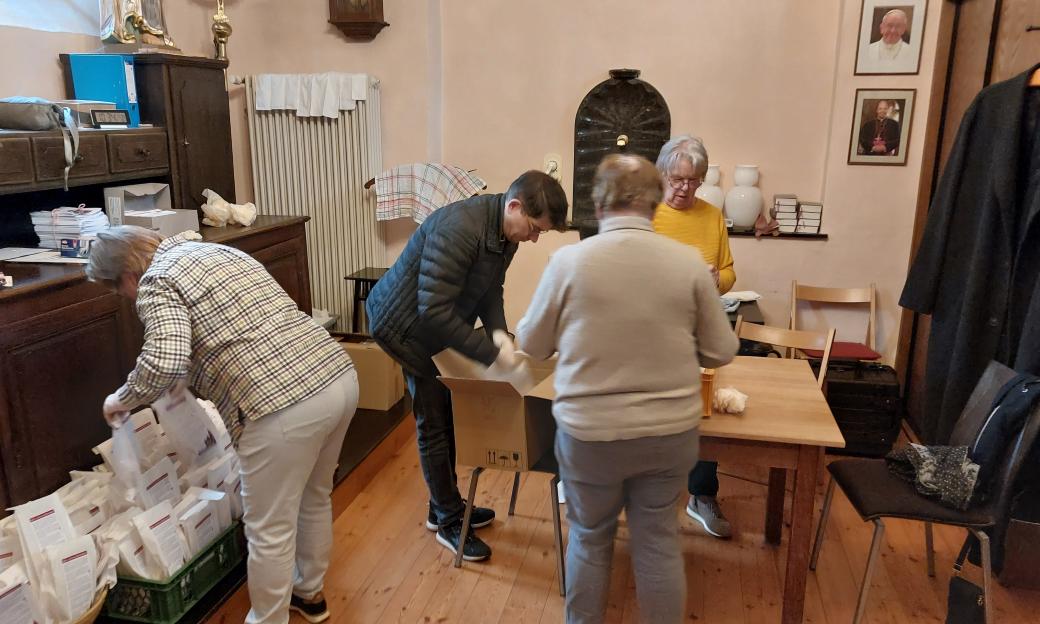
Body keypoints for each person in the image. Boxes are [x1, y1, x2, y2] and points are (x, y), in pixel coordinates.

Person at [89, 226, 358, 624]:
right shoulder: (217, 253)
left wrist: (121, 399)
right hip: (336, 376)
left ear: (127, 276)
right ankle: (309, 594)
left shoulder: (156, 280)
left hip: (280, 406)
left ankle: (268, 619)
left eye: (117, 291)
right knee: (314, 496)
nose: (125, 298)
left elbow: (164, 359)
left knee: (269, 530)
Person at [518, 154, 739, 623]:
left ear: (598, 205)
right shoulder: (689, 265)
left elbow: (533, 345)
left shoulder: (569, 262)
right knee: (657, 540)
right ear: (655, 203)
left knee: (590, 538)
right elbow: (721, 350)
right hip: (668, 435)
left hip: (589, 435)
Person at [365, 170, 568, 562]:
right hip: (404, 326)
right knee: (434, 419)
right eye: (534, 228)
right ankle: (447, 519)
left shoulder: (503, 233)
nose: (534, 237)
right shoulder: (459, 229)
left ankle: (443, 504)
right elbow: (434, 312)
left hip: (431, 323)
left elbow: (490, 290)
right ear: (514, 206)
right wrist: (493, 356)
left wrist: (500, 337)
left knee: (450, 412)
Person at [651, 134, 737, 538]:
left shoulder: (712, 217)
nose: (686, 188)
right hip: (650, 330)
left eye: (695, 181)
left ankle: (701, 495)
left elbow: (729, 270)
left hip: (697, 327)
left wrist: (716, 278)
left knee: (702, 414)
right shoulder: (643, 213)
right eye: (679, 179)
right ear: (662, 173)